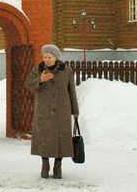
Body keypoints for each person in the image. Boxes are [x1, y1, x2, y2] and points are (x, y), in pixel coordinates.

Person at [26, 44, 79, 180]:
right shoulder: (38, 69)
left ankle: (58, 165)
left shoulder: (66, 70)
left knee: (60, 139)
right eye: (44, 57)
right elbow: (28, 85)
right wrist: (41, 80)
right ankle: (45, 164)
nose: (46, 59)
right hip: (43, 110)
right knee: (44, 138)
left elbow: (71, 91)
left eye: (49, 57)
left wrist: (75, 111)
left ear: (56, 57)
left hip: (62, 110)